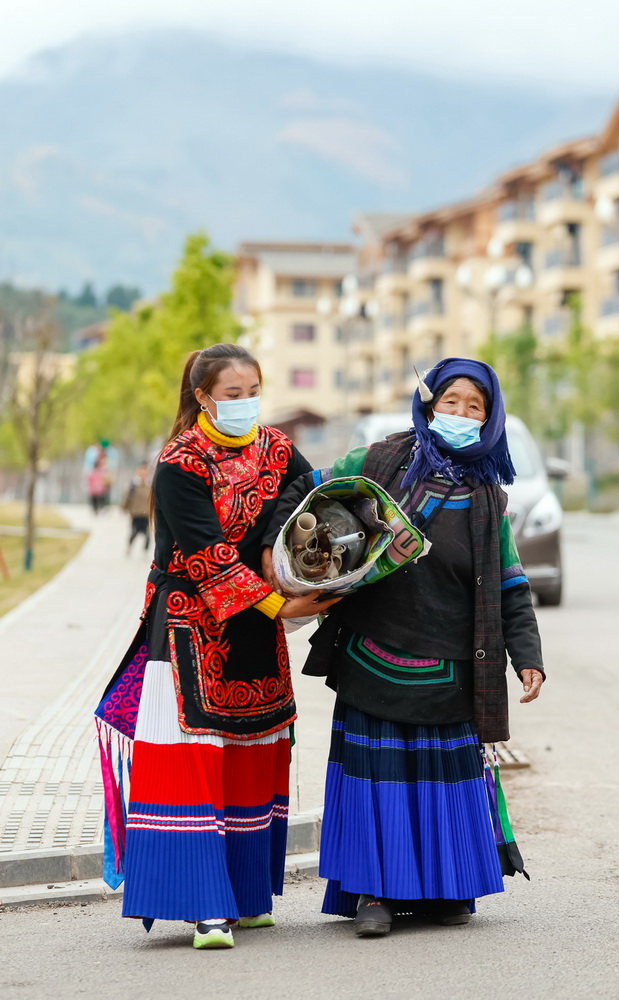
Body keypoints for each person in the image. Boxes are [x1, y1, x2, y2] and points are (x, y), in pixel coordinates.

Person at [262, 357, 545, 937]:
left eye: (475, 407)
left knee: (442, 780)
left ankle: (446, 890)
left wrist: (528, 656)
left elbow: (509, 584)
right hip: (374, 652)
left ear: (490, 419)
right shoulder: (375, 462)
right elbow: (308, 495)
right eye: (451, 403)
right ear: (429, 404)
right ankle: (372, 895)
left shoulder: (489, 498)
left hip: (451, 665)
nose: (461, 415)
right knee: (376, 777)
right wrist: (281, 555)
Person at [95, 343, 340, 950]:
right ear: (202, 397)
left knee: (257, 748)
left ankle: (248, 896)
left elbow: (308, 498)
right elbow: (205, 554)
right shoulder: (180, 462)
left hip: (254, 618)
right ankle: (202, 906)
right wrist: (281, 605)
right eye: (232, 394)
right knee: (193, 756)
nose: (246, 403)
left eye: (253, 390)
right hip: (189, 623)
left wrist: (288, 562)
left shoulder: (277, 448)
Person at [122, 462, 152, 553]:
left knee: (147, 534)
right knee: (134, 532)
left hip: (146, 514)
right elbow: (127, 498)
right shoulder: (133, 485)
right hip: (136, 513)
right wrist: (124, 508)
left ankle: (145, 550)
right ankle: (129, 547)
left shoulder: (150, 485)